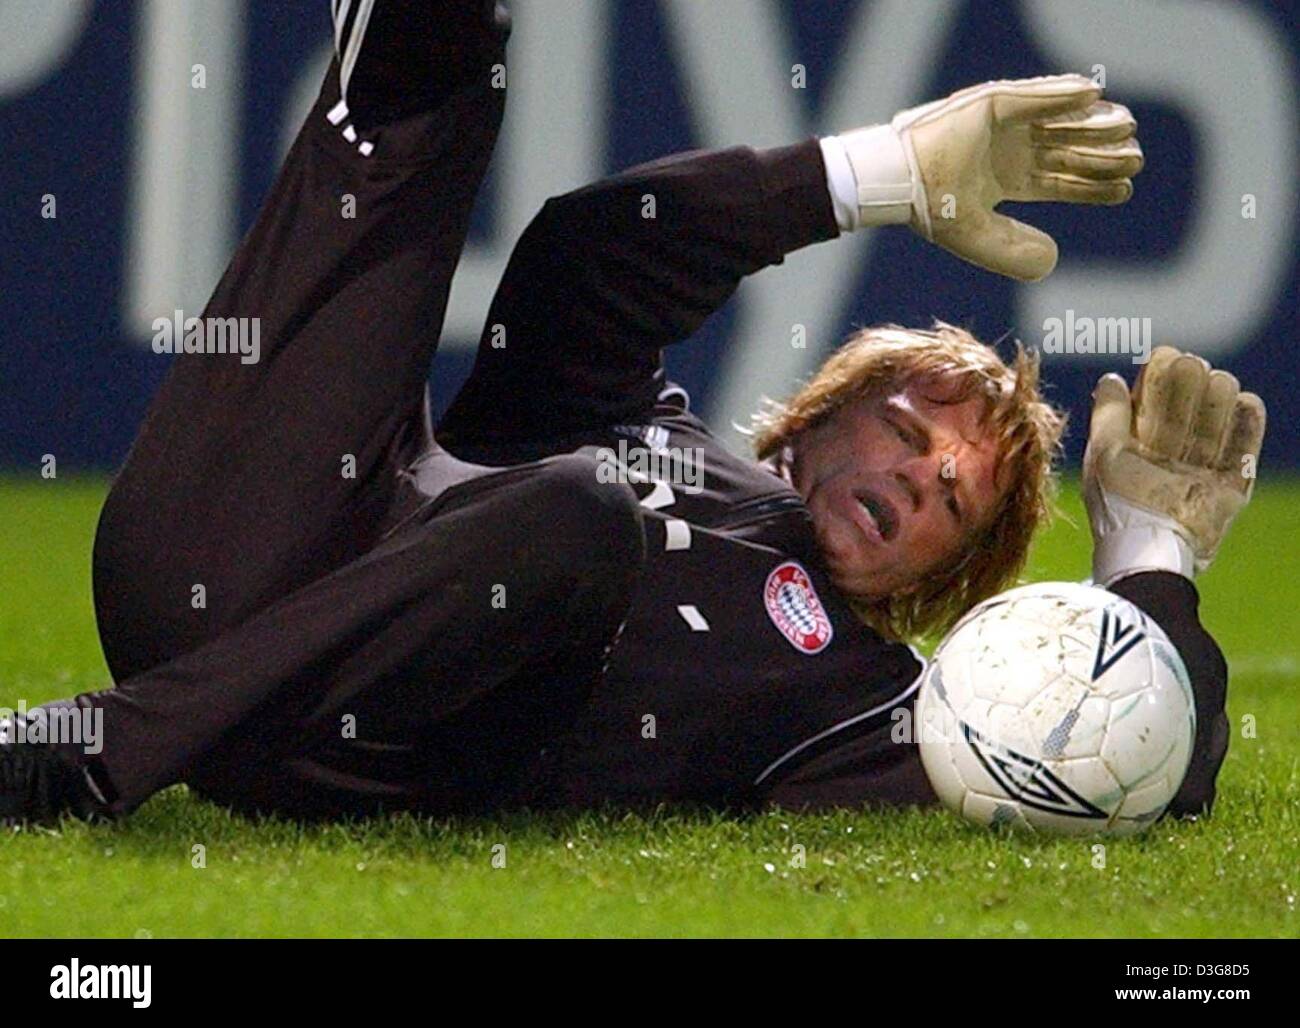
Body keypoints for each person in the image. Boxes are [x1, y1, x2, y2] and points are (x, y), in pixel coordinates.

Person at [1, 1, 1264, 826]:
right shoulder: (625, 422)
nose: (932, 467)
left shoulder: (867, 710)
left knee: (576, 512)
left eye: (963, 499)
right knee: (434, 95)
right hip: (221, 551)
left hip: (343, 747)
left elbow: (1134, 768)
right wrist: (877, 175)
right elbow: (589, 254)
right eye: (910, 417)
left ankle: (81, 755)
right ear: (814, 418)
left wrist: (1149, 556)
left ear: (954, 575)